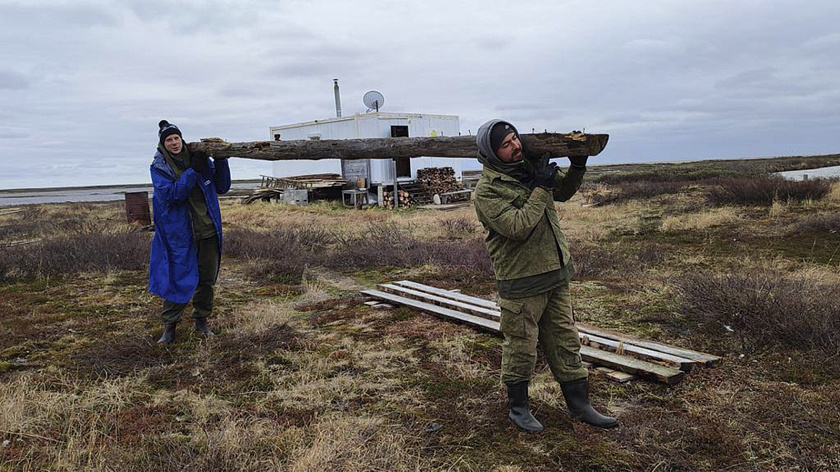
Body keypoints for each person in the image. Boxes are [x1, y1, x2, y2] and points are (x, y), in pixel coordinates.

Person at [473, 119, 617, 432]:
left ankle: (580, 406)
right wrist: (540, 186)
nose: (515, 147)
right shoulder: (486, 192)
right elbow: (517, 226)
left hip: (555, 274)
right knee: (522, 346)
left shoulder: (529, 167)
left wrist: (577, 166)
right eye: (506, 145)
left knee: (566, 341)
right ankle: (519, 409)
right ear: (492, 152)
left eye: (515, 139)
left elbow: (562, 191)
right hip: (522, 282)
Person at [149, 120, 231, 344]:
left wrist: (221, 160)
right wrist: (193, 171)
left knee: (206, 280)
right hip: (180, 235)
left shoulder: (200, 158)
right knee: (177, 278)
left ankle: (201, 321)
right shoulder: (159, 167)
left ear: (181, 139)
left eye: (176, 138)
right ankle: (170, 326)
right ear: (163, 144)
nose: (174, 143)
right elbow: (173, 195)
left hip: (207, 230)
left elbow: (222, 187)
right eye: (169, 140)